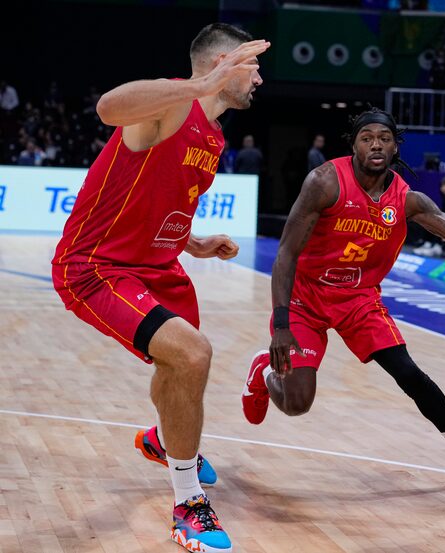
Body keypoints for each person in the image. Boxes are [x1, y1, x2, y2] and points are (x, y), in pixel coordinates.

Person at [51, 24, 269, 553]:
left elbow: (152, 194)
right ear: (222, 62)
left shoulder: (214, 136)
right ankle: (188, 502)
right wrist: (200, 84)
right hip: (97, 266)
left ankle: (161, 439)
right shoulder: (171, 103)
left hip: (158, 265)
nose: (260, 77)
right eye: (252, 64)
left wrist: (192, 242)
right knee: (193, 354)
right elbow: (107, 107)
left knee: (177, 364)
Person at [241, 108, 445, 493]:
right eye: (367, 138)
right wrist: (280, 325)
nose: (375, 144)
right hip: (306, 297)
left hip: (358, 299)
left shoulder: (409, 200)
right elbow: (285, 255)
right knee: (297, 403)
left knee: (409, 373)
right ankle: (263, 372)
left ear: (396, 146)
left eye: (383, 137)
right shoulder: (325, 182)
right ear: (355, 145)